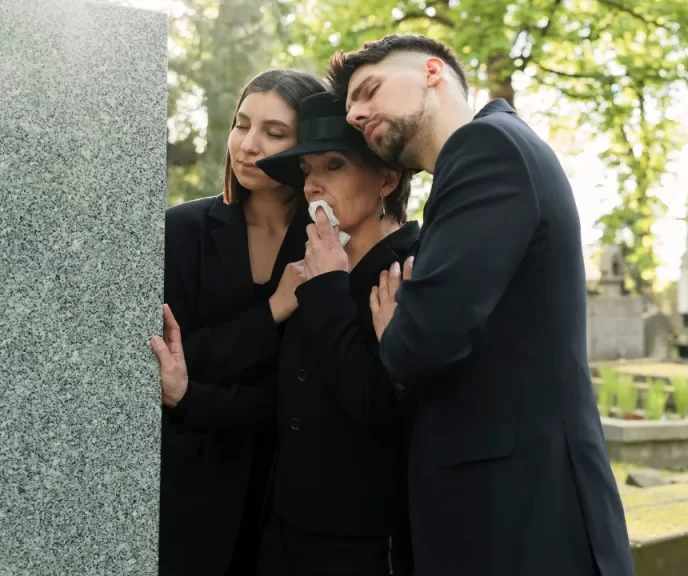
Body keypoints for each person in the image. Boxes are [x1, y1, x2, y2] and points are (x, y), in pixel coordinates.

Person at [329, 35, 635, 576]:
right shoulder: (489, 154)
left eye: (369, 91)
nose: (356, 113)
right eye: (352, 109)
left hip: (523, 520)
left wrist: (394, 328)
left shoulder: (485, 148)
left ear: (431, 72)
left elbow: (421, 343)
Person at [151, 69, 326, 576]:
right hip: (191, 489)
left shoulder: (326, 245)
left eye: (274, 132)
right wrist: (275, 308)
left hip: (288, 491)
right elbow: (173, 359)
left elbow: (303, 392)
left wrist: (192, 399)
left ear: (305, 148)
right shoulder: (182, 230)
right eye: (241, 124)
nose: (248, 145)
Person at [259, 91, 418, 574]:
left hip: (364, 545)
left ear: (387, 178)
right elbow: (289, 402)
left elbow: (375, 406)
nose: (312, 185)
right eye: (308, 171)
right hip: (285, 535)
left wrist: (328, 286)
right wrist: (190, 396)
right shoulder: (320, 267)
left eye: (333, 165)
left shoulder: (417, 269)